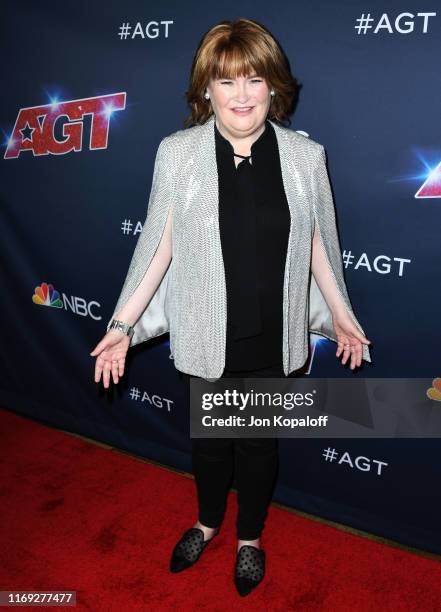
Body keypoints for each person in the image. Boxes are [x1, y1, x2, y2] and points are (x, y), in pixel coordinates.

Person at [90, 18, 372, 597]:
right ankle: (207, 521)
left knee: (258, 446)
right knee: (210, 445)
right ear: (206, 90)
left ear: (274, 85)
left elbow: (322, 242)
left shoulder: (305, 156)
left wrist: (340, 313)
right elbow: (157, 245)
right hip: (204, 333)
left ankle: (249, 538)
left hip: (272, 338)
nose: (241, 95)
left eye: (253, 79)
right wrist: (121, 326)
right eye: (226, 81)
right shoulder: (177, 154)